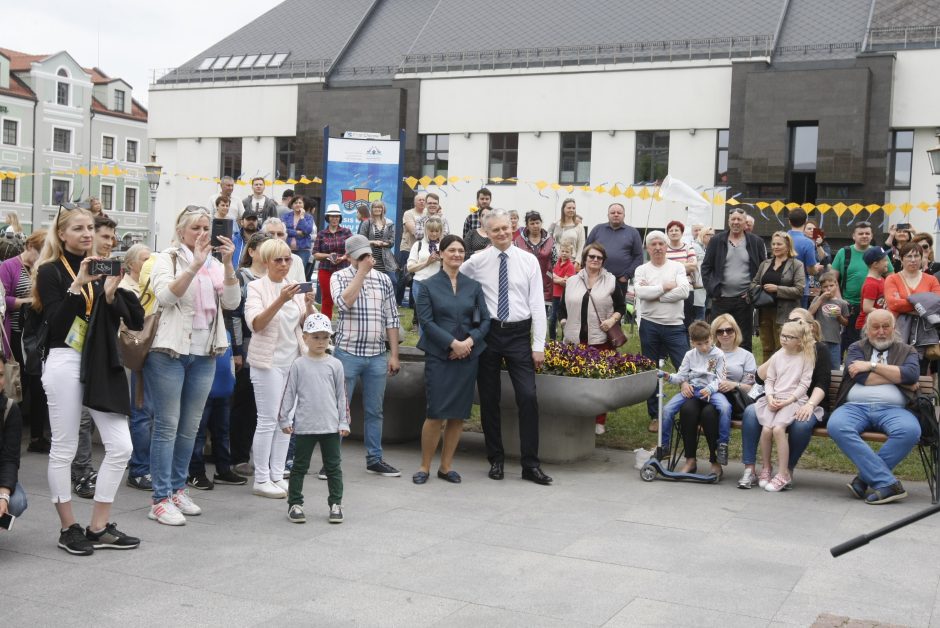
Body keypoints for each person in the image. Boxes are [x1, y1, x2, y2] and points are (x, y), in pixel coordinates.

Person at [34, 204, 143, 554]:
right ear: (62, 234)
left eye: (89, 228)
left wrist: (112, 294)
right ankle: (68, 527)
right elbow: (54, 322)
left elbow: (133, 320)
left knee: (121, 445)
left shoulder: (103, 269)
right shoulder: (51, 271)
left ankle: (99, 525)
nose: (85, 234)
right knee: (64, 447)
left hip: (98, 360)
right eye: (78, 228)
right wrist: (78, 284)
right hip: (64, 358)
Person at [144, 206, 240, 526]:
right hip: (169, 351)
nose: (202, 233)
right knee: (168, 426)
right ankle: (159, 498)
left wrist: (227, 264)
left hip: (205, 352)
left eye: (206, 227)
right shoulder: (166, 258)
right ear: (181, 230)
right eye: (196, 227)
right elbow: (165, 296)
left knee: (190, 427)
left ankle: (177, 489)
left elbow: (231, 302)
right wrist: (194, 265)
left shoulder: (214, 263)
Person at [460, 209, 552, 485]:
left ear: (512, 228)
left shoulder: (528, 261)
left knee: (527, 397)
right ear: (486, 233)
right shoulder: (476, 261)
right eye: (495, 230)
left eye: (505, 228)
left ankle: (530, 465)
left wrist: (538, 345)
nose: (501, 233)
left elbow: (538, 304)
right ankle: (495, 460)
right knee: (489, 400)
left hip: (518, 335)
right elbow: (455, 278)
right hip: (488, 335)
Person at [413, 234, 490, 485]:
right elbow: (426, 321)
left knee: (458, 414)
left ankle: (446, 467)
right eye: (452, 250)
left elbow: (484, 321)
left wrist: (469, 342)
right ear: (442, 253)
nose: (457, 254)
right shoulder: (428, 285)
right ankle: (424, 466)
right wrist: (452, 343)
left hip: (468, 356)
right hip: (440, 355)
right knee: (435, 412)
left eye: (461, 250)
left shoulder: (473, 286)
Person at [245, 238, 317, 498]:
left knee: (286, 421)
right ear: (266, 262)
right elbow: (256, 323)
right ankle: (261, 478)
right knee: (267, 420)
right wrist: (279, 300)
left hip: (293, 361)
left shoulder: (293, 287)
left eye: (288, 259)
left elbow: (307, 324)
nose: (285, 264)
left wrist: (308, 304)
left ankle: (277, 474)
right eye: (279, 260)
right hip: (267, 362)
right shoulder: (256, 287)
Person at [828, 309, 920, 504]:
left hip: (894, 409)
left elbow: (911, 374)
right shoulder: (856, 348)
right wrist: (898, 377)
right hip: (855, 407)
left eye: (886, 327)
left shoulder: (907, 350)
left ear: (894, 329)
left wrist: (872, 366)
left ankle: (863, 479)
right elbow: (859, 376)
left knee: (910, 431)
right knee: (837, 425)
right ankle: (887, 483)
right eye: (875, 327)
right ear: (866, 329)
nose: (881, 332)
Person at [331, 234, 402, 476]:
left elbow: (392, 318)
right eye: (361, 255)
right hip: (347, 353)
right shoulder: (338, 276)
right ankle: (331, 462)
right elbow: (343, 304)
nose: (366, 259)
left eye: (368, 254)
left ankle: (375, 458)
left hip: (376, 355)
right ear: (349, 257)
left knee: (375, 410)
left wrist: (394, 355)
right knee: (340, 409)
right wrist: (361, 272)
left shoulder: (383, 279)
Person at [738, 308, 832, 490]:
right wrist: (778, 354)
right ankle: (750, 468)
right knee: (751, 413)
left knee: (801, 422)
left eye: (797, 322)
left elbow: (822, 383)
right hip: (776, 397)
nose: (790, 328)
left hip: (805, 400)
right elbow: (761, 378)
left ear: (809, 327)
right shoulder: (785, 346)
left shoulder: (818, 350)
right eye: (788, 323)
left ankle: (786, 470)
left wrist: (810, 405)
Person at [279, 313, 349, 523]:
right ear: (305, 337)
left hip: (330, 427)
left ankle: (336, 503)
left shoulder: (335, 364)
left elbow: (341, 395)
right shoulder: (299, 364)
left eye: (325, 337)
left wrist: (343, 421)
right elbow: (289, 393)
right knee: (299, 467)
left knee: (333, 467)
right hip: (305, 427)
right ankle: (295, 504)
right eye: (316, 337)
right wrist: (284, 419)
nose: (320, 342)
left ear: (330, 338)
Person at [71, 214, 119, 499]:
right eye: (105, 237)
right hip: (73, 348)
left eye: (112, 238)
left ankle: (83, 468)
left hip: (98, 348)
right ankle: (82, 471)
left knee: (89, 415)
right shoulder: (80, 269)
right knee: (81, 418)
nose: (109, 243)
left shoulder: (108, 270)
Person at [557, 242, 625, 434]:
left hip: (601, 339)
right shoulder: (571, 281)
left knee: (599, 380)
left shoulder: (611, 281)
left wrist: (612, 320)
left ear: (603, 261)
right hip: (575, 340)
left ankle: (599, 420)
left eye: (599, 258)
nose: (595, 260)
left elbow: (621, 307)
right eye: (591, 257)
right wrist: (564, 323)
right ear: (585, 258)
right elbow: (561, 308)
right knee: (574, 381)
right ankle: (576, 417)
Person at [676, 315, 756, 476]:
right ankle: (690, 460)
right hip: (699, 392)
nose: (725, 334)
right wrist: (683, 383)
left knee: (709, 414)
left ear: (736, 331)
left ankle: (715, 461)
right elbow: (685, 374)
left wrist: (734, 384)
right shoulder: (701, 350)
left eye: (729, 330)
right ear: (713, 335)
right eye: (720, 331)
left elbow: (751, 387)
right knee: (687, 409)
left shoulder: (746, 356)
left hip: (728, 398)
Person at [634, 230, 691, 433]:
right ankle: (655, 416)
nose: (657, 247)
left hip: (675, 325)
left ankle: (692, 412)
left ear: (666, 246)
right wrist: (665, 286)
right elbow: (640, 292)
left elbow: (684, 291)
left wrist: (656, 294)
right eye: (653, 244)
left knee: (686, 368)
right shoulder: (641, 269)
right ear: (648, 248)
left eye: (661, 244)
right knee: (652, 371)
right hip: (649, 325)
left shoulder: (677, 267)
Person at [657, 320, 732, 471]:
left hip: (711, 390)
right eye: (699, 344)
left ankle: (722, 445)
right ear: (692, 343)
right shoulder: (689, 355)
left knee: (725, 407)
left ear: (711, 337)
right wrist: (668, 377)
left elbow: (721, 378)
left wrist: (710, 389)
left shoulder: (718, 354)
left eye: (707, 342)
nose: (704, 347)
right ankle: (664, 447)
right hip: (693, 389)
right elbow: (681, 376)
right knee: (667, 410)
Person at [753, 320, 819, 492]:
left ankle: (784, 473)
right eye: (783, 335)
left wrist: (788, 401)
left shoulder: (806, 357)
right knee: (766, 429)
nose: (784, 339)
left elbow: (804, 385)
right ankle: (766, 468)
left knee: (778, 429)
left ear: (800, 340)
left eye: (790, 337)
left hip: (793, 401)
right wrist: (769, 397)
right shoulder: (777, 355)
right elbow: (769, 379)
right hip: (774, 398)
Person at [0, 229, 48, 453]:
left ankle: (37, 437)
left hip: (35, 336)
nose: (41, 256)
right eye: (40, 251)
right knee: (17, 386)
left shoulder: (42, 268)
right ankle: (10, 438)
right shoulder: (9, 266)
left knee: (38, 386)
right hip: (15, 334)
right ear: (30, 247)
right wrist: (27, 301)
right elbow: (4, 299)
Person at [229, 232, 271, 476]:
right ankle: (239, 456)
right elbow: (234, 315)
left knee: (263, 407)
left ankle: (264, 459)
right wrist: (236, 350)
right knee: (244, 405)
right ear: (252, 251)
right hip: (247, 346)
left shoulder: (277, 278)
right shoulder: (241, 277)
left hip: (271, 349)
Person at [701, 208, 767, 351]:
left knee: (743, 339)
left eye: (739, 220)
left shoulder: (756, 242)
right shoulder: (716, 241)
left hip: (744, 299)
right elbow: (706, 267)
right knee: (718, 336)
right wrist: (712, 290)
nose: (736, 222)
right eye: (733, 219)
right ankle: (717, 368)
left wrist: (753, 291)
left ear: (745, 223)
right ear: (728, 221)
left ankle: (745, 371)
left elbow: (763, 269)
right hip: (721, 298)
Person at [118, 244, 154, 491]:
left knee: (148, 414)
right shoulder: (125, 288)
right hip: (135, 354)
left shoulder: (149, 285)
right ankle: (139, 469)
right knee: (141, 412)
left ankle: (144, 466)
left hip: (151, 353)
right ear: (132, 264)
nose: (149, 263)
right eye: (145, 259)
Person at [831, 221, 893, 354]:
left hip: (876, 309)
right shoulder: (844, 252)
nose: (864, 236)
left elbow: (892, 278)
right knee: (852, 345)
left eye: (867, 233)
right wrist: (840, 301)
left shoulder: (879, 253)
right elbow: (832, 280)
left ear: (871, 236)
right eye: (860, 233)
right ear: (854, 236)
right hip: (851, 307)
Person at [884, 241, 940, 374]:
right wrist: (922, 305)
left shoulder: (931, 280)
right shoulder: (892, 279)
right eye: (909, 256)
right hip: (898, 329)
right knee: (897, 365)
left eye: (917, 256)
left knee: (920, 369)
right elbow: (893, 303)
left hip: (924, 332)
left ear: (922, 258)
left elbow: (936, 304)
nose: (913, 260)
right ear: (901, 259)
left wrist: (907, 303)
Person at [750, 231, 805, 357]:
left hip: (785, 313)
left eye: (779, 244)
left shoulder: (797, 265)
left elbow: (799, 290)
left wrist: (777, 289)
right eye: (773, 244)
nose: (775, 247)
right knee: (767, 347)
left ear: (788, 246)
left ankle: (782, 375)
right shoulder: (765, 264)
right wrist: (759, 288)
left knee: (783, 347)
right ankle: (766, 375)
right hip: (764, 311)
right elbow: (754, 283)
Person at [585, 203, 644, 300]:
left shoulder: (633, 233)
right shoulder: (597, 229)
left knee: (617, 309)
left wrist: (626, 276)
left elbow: (638, 257)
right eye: (612, 212)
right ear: (608, 215)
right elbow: (586, 251)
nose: (616, 214)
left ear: (624, 215)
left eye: (619, 213)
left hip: (620, 281)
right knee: (594, 306)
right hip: (596, 278)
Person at [0, 357, 27, 528]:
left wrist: (3, 496)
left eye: (1, 374)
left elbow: (10, 459)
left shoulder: (10, 409)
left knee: (16, 501)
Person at [313, 205, 352, 318]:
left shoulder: (346, 232)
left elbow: (352, 249)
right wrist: (328, 256)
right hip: (326, 269)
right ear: (328, 217)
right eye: (332, 216)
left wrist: (343, 257)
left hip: (344, 268)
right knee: (327, 298)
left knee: (346, 298)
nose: (335, 218)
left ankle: (346, 326)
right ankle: (325, 327)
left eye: (337, 216)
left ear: (340, 218)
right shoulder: (321, 234)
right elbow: (315, 254)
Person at [513, 211, 556, 307]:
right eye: (532, 223)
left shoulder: (551, 241)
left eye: (537, 223)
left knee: (542, 316)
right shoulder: (518, 241)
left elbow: (555, 262)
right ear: (527, 226)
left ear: (541, 223)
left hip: (545, 284)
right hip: (524, 284)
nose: (535, 226)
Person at [808, 271, 849, 368]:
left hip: (835, 341)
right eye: (825, 287)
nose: (829, 288)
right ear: (821, 288)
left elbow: (846, 323)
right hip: (819, 340)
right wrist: (821, 298)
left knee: (835, 367)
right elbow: (809, 313)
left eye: (831, 285)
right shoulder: (817, 300)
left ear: (836, 285)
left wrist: (839, 316)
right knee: (818, 366)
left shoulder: (842, 303)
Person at [407, 217, 444, 320]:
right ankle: (423, 336)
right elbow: (410, 268)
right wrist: (427, 262)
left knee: (437, 315)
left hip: (438, 284)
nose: (434, 234)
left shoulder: (444, 246)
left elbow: (451, 266)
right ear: (426, 230)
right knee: (423, 316)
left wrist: (441, 260)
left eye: (437, 231)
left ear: (441, 231)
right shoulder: (418, 244)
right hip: (420, 283)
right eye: (431, 231)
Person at [665, 220, 698, 328]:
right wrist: (684, 265)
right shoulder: (663, 249)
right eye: (671, 230)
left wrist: (672, 265)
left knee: (687, 319)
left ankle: (686, 343)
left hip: (687, 288)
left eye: (676, 230)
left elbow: (693, 267)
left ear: (682, 233)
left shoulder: (689, 247)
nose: (674, 232)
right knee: (669, 319)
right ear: (668, 233)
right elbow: (662, 268)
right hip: (668, 289)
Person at [358, 200, 398, 286]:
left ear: (383, 209)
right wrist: (373, 242)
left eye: (380, 207)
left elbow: (392, 242)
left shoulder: (389, 223)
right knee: (371, 284)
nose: (377, 209)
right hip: (370, 258)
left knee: (392, 282)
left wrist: (383, 243)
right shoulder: (366, 223)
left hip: (386, 260)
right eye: (375, 207)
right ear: (371, 209)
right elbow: (361, 240)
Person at [786, 208, 820, 307]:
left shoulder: (782, 238)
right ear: (805, 222)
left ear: (789, 221)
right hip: (800, 287)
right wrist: (816, 268)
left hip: (782, 286)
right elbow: (811, 271)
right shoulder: (808, 243)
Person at [548, 240, 577, 342]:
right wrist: (560, 279)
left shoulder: (570, 266)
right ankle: (552, 339)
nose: (564, 253)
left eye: (567, 252)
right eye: (562, 251)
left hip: (564, 296)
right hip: (554, 295)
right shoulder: (556, 263)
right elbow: (550, 277)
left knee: (564, 319)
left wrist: (555, 278)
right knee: (552, 318)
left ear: (571, 253)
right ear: (559, 251)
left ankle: (565, 340)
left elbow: (566, 283)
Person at [261, 217, 306, 283]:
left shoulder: (296, 260)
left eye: (280, 234)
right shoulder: (258, 258)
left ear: (286, 237)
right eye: (271, 234)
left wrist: (307, 293)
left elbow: (301, 289)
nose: (275, 237)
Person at [856, 246, 890, 332]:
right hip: (866, 326)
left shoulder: (881, 279)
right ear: (875, 264)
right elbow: (867, 308)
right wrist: (885, 314)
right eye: (885, 260)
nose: (888, 263)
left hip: (876, 324)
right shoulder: (871, 284)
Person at [282, 194, 315, 269]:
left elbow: (308, 230)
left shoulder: (308, 217)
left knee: (300, 270)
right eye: (296, 203)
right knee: (287, 269)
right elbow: (283, 229)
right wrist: (297, 232)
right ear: (292, 205)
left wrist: (302, 217)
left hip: (303, 250)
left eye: (300, 203)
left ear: (303, 205)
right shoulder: (286, 216)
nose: (298, 205)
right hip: (288, 249)